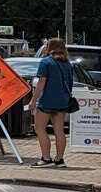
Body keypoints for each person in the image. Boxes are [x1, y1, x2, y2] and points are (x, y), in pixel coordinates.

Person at [30, 36, 75, 168]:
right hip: (62, 100)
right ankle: (59, 159)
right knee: (59, 130)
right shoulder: (68, 64)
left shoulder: (46, 62)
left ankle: (46, 158)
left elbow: (41, 82)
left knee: (40, 128)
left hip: (47, 100)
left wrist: (34, 99)